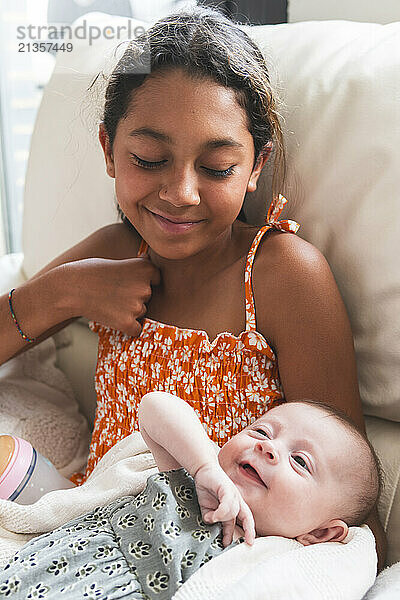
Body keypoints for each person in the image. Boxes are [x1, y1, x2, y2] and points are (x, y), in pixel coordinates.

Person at [0, 5, 385, 564]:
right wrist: (64, 292)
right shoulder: (114, 250)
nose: (180, 192)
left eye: (218, 168)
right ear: (109, 150)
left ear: (256, 165)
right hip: (90, 522)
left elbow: (350, 495)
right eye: (150, 158)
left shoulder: (281, 275)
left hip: (218, 556)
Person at [0, 394, 380, 599]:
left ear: (322, 534)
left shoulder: (278, 559)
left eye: (300, 461)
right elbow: (154, 406)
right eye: (262, 432)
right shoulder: (194, 479)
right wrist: (204, 468)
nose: (269, 449)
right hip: (44, 564)